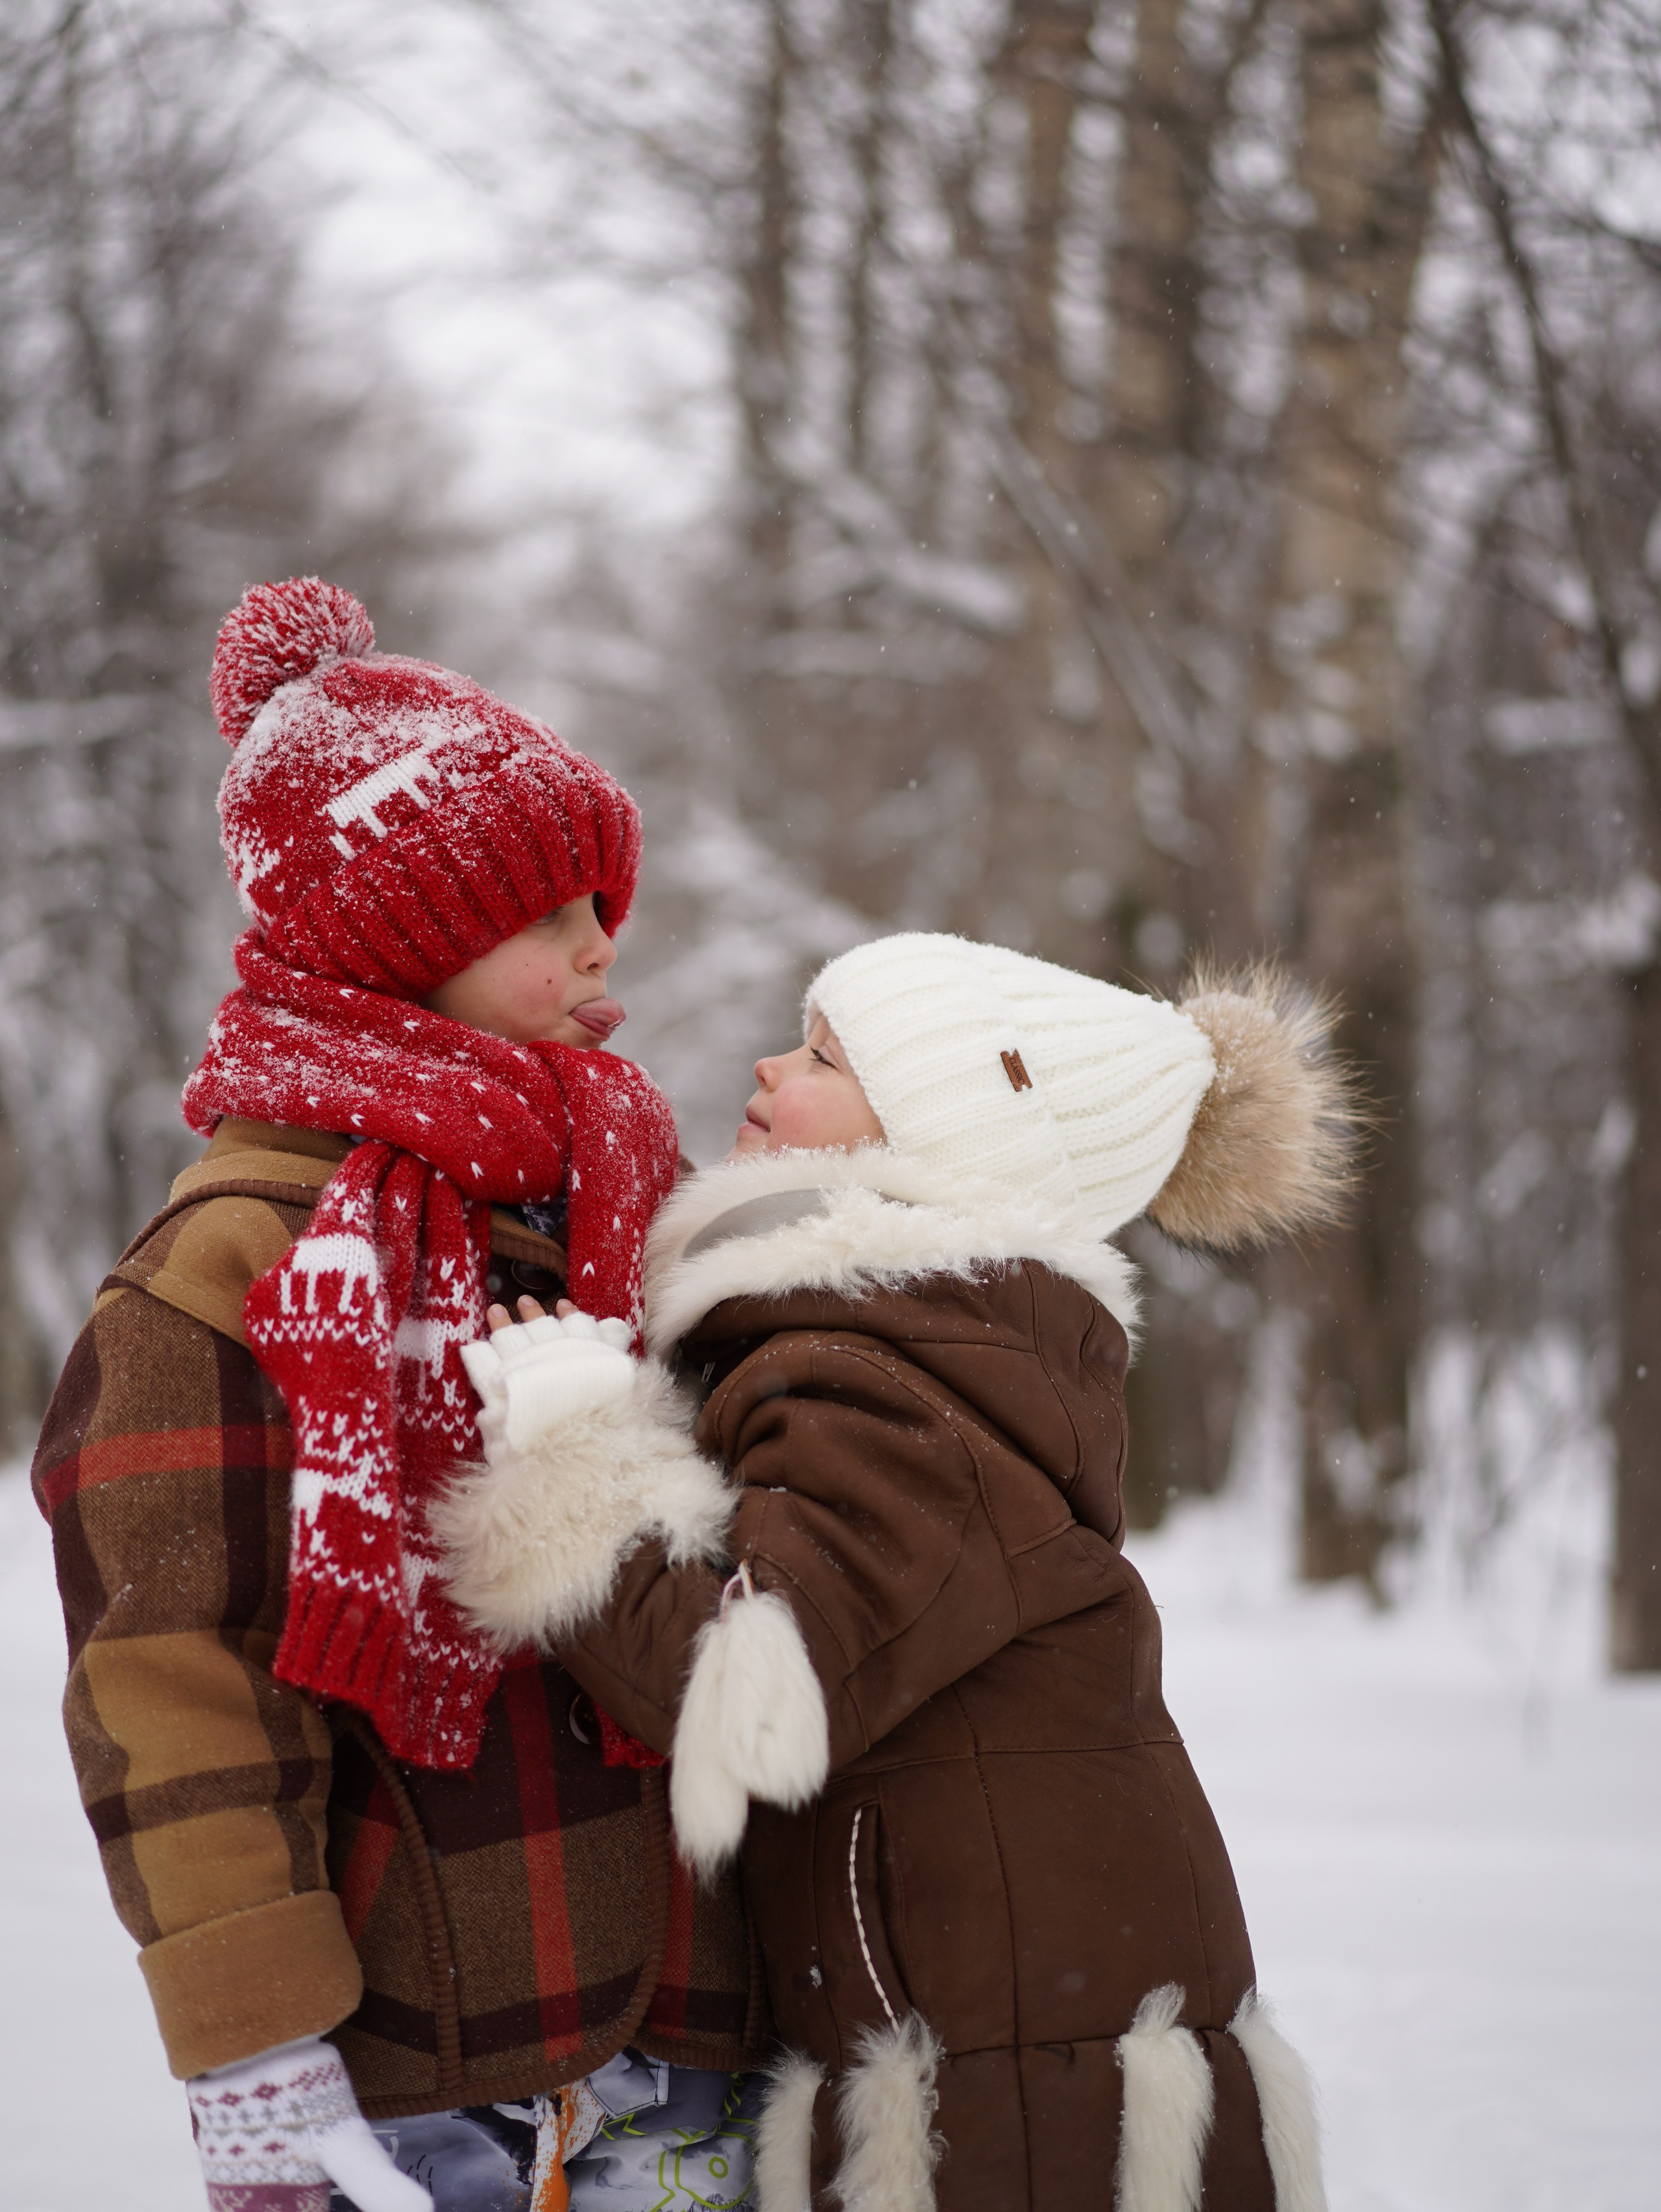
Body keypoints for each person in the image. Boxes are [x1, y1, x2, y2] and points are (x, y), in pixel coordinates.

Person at [30, 578, 767, 2212]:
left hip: (696, 2028)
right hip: (424, 2066)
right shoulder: (241, 1261)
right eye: (545, 912)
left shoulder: (622, 1197)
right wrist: (254, 2046)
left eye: (601, 900)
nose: (599, 944)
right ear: (398, 944)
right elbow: (173, 1679)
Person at [437, 932, 1355, 2212]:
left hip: (1011, 2073)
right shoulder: (923, 1341)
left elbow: (747, 1693)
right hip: (1016, 2018)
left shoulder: (896, 1367)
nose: (769, 1060)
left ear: (943, 1135)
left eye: (822, 1054)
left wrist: (573, 1453)